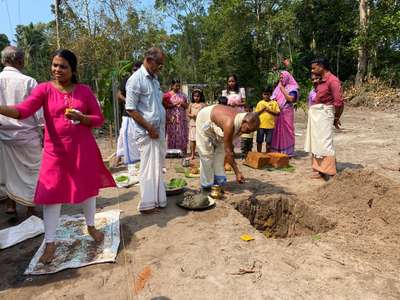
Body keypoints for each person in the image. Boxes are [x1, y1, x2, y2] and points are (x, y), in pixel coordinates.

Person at [0, 49, 116, 263]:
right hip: (55, 152)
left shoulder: (84, 91)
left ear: (73, 70)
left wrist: (82, 117)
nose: (57, 70)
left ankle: (91, 227)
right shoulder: (44, 89)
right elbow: (23, 111)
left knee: (88, 191)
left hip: (83, 149)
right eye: (54, 65)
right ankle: (50, 243)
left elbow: (98, 119)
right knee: (51, 195)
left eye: (63, 66)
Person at [0, 46, 42, 216]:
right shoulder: (29, 82)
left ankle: (11, 206)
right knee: (32, 174)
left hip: (3, 136)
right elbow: (39, 116)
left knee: (9, 174)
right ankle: (30, 209)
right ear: (19, 61)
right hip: (27, 136)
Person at [125, 47, 167, 213]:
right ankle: (148, 203)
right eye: (159, 64)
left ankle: (158, 200)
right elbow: (131, 109)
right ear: (149, 61)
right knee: (148, 168)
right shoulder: (136, 80)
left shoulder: (154, 79)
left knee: (157, 166)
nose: (160, 68)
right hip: (147, 132)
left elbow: (155, 105)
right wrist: (149, 128)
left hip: (157, 131)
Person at [196, 104, 260, 190]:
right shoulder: (229, 123)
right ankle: (206, 185)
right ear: (244, 121)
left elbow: (228, 148)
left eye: (251, 131)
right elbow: (229, 152)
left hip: (217, 120)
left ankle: (217, 182)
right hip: (204, 118)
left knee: (220, 152)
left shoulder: (241, 121)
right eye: (248, 129)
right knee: (206, 153)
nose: (248, 133)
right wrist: (237, 172)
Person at [305, 58, 344, 180]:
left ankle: (331, 172)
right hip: (317, 116)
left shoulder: (333, 80)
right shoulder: (320, 81)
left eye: (314, 68)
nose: (312, 70)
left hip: (325, 115)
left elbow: (339, 102)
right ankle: (320, 170)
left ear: (321, 67)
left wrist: (336, 117)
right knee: (316, 143)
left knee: (325, 143)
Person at [115, 61, 142, 166]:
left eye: (138, 70)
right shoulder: (127, 80)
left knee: (137, 136)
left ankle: (136, 159)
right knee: (124, 134)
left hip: (140, 114)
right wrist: (127, 100)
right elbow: (119, 94)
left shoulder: (143, 82)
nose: (135, 71)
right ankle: (119, 157)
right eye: (134, 70)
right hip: (128, 113)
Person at [270, 70, 299, 156]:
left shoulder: (292, 88)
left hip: (286, 113)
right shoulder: (278, 87)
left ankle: (288, 151)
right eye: (280, 77)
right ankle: (277, 149)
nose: (281, 79)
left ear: (287, 77)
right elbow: (273, 97)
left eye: (283, 77)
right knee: (276, 130)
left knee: (287, 130)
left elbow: (291, 99)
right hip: (277, 113)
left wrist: (282, 89)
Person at [162, 79, 189, 155]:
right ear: (172, 86)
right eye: (176, 86)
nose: (177, 87)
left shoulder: (183, 95)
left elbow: (187, 106)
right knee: (172, 133)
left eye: (178, 86)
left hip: (181, 119)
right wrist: (173, 105)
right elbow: (164, 105)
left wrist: (182, 103)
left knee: (181, 133)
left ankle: (182, 150)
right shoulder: (167, 95)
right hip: (172, 118)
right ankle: (172, 151)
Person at [255, 86, 280, 152]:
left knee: (268, 142)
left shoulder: (274, 103)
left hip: (270, 126)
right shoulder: (260, 103)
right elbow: (256, 114)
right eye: (264, 94)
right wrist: (262, 110)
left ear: (271, 94)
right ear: (262, 94)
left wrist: (269, 111)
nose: (266, 96)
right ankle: (259, 154)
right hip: (260, 126)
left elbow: (278, 113)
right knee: (259, 141)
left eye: (268, 94)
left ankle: (267, 155)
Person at [187, 88, 207, 160]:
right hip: (193, 124)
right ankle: (192, 154)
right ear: (192, 96)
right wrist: (191, 115)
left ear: (201, 96)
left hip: (200, 125)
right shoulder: (191, 104)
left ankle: (202, 153)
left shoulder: (203, 104)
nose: (196, 98)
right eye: (195, 96)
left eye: (198, 96)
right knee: (192, 140)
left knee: (201, 140)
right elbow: (188, 113)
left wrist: (200, 115)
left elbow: (206, 113)